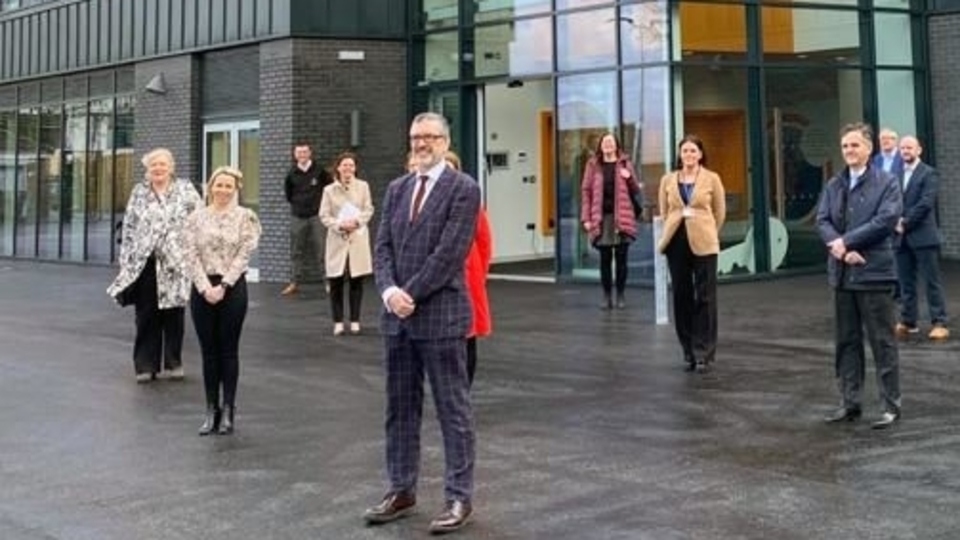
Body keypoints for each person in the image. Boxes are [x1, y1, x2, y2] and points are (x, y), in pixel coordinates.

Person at [364, 112, 480, 534]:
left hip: (440, 314)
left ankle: (458, 496)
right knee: (399, 409)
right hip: (397, 318)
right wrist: (390, 291)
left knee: (453, 409)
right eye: (416, 136)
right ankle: (401, 488)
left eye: (430, 137)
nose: (421, 143)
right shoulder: (397, 189)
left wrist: (410, 292)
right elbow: (382, 247)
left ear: (445, 141)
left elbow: (451, 252)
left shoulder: (463, 189)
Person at [816, 122, 902, 430]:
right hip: (842, 274)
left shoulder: (887, 182)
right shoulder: (834, 184)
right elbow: (823, 219)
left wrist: (846, 242)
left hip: (874, 273)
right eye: (845, 146)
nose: (849, 151)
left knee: (882, 342)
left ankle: (891, 405)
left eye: (854, 145)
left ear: (869, 148)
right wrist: (840, 249)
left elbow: (886, 220)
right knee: (846, 342)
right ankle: (849, 403)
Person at [107, 148, 202, 383]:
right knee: (146, 314)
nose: (158, 169)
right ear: (147, 170)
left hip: (175, 261)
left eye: (162, 164)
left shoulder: (185, 190)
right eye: (153, 166)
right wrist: (126, 262)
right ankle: (145, 365)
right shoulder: (139, 192)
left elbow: (199, 221)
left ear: (171, 167)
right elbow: (129, 227)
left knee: (173, 312)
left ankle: (173, 362)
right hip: (145, 262)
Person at [183, 166, 261, 436]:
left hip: (232, 288)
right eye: (219, 185)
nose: (223, 190)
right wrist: (205, 288)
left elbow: (244, 254)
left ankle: (228, 409)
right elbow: (189, 254)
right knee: (208, 351)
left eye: (229, 186)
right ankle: (210, 409)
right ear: (210, 186)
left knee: (228, 350)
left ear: (236, 189)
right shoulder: (195, 218)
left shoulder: (246, 218)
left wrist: (224, 284)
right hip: (203, 288)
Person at [657, 135, 726, 373]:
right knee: (681, 295)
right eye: (684, 151)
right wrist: (674, 228)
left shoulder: (712, 179)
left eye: (693, 151)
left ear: (700, 154)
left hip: (704, 242)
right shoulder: (668, 180)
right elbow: (665, 211)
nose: (688, 155)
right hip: (676, 241)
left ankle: (704, 351)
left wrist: (708, 231)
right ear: (680, 154)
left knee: (705, 296)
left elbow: (719, 211)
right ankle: (687, 349)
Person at [894, 136, 949, 340]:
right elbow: (892, 200)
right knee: (905, 282)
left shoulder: (929, 173)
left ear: (919, 150)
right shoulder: (896, 173)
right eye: (902, 148)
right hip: (901, 238)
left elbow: (926, 203)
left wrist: (904, 222)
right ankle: (909, 322)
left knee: (931, 282)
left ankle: (939, 322)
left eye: (909, 147)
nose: (905, 151)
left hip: (923, 236)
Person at [445, 151, 493, 387]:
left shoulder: (471, 201)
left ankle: (464, 387)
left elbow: (484, 241)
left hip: (468, 275)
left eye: (451, 168)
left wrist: (479, 274)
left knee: (468, 335)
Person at [580, 132, 642, 309]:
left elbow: (635, 189)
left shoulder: (624, 163)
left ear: (616, 146)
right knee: (605, 259)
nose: (607, 145)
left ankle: (621, 294)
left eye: (611, 142)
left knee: (622, 258)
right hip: (601, 218)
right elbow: (586, 191)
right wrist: (586, 218)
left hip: (621, 217)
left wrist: (628, 176)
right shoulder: (593, 165)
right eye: (604, 142)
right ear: (600, 146)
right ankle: (606, 296)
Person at [319, 152, 375, 336]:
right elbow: (324, 215)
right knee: (335, 281)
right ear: (338, 167)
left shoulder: (363, 186)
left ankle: (355, 320)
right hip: (337, 239)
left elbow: (369, 208)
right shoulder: (329, 190)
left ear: (355, 168)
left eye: (351, 165)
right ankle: (337, 321)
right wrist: (339, 225)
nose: (348, 169)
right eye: (344, 165)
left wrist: (357, 222)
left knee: (356, 281)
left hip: (357, 238)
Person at [282, 143, 331, 296]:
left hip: (317, 216)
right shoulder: (291, 173)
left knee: (322, 250)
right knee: (296, 251)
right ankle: (294, 282)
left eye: (305, 152)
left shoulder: (319, 170)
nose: (302, 155)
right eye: (299, 152)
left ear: (310, 153)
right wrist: (298, 206)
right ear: (295, 155)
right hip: (298, 216)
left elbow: (329, 189)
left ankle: (328, 282)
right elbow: (289, 195)